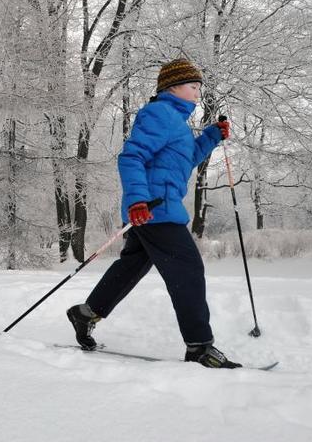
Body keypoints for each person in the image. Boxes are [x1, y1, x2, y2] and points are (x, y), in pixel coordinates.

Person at [66, 58, 240, 368]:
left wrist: (212, 136)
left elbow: (185, 161)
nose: (198, 93)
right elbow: (131, 158)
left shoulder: (178, 124)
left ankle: (86, 313)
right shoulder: (159, 114)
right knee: (188, 270)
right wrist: (137, 201)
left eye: (199, 87)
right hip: (154, 210)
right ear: (172, 87)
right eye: (193, 86)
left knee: (131, 267)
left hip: (155, 210)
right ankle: (199, 346)